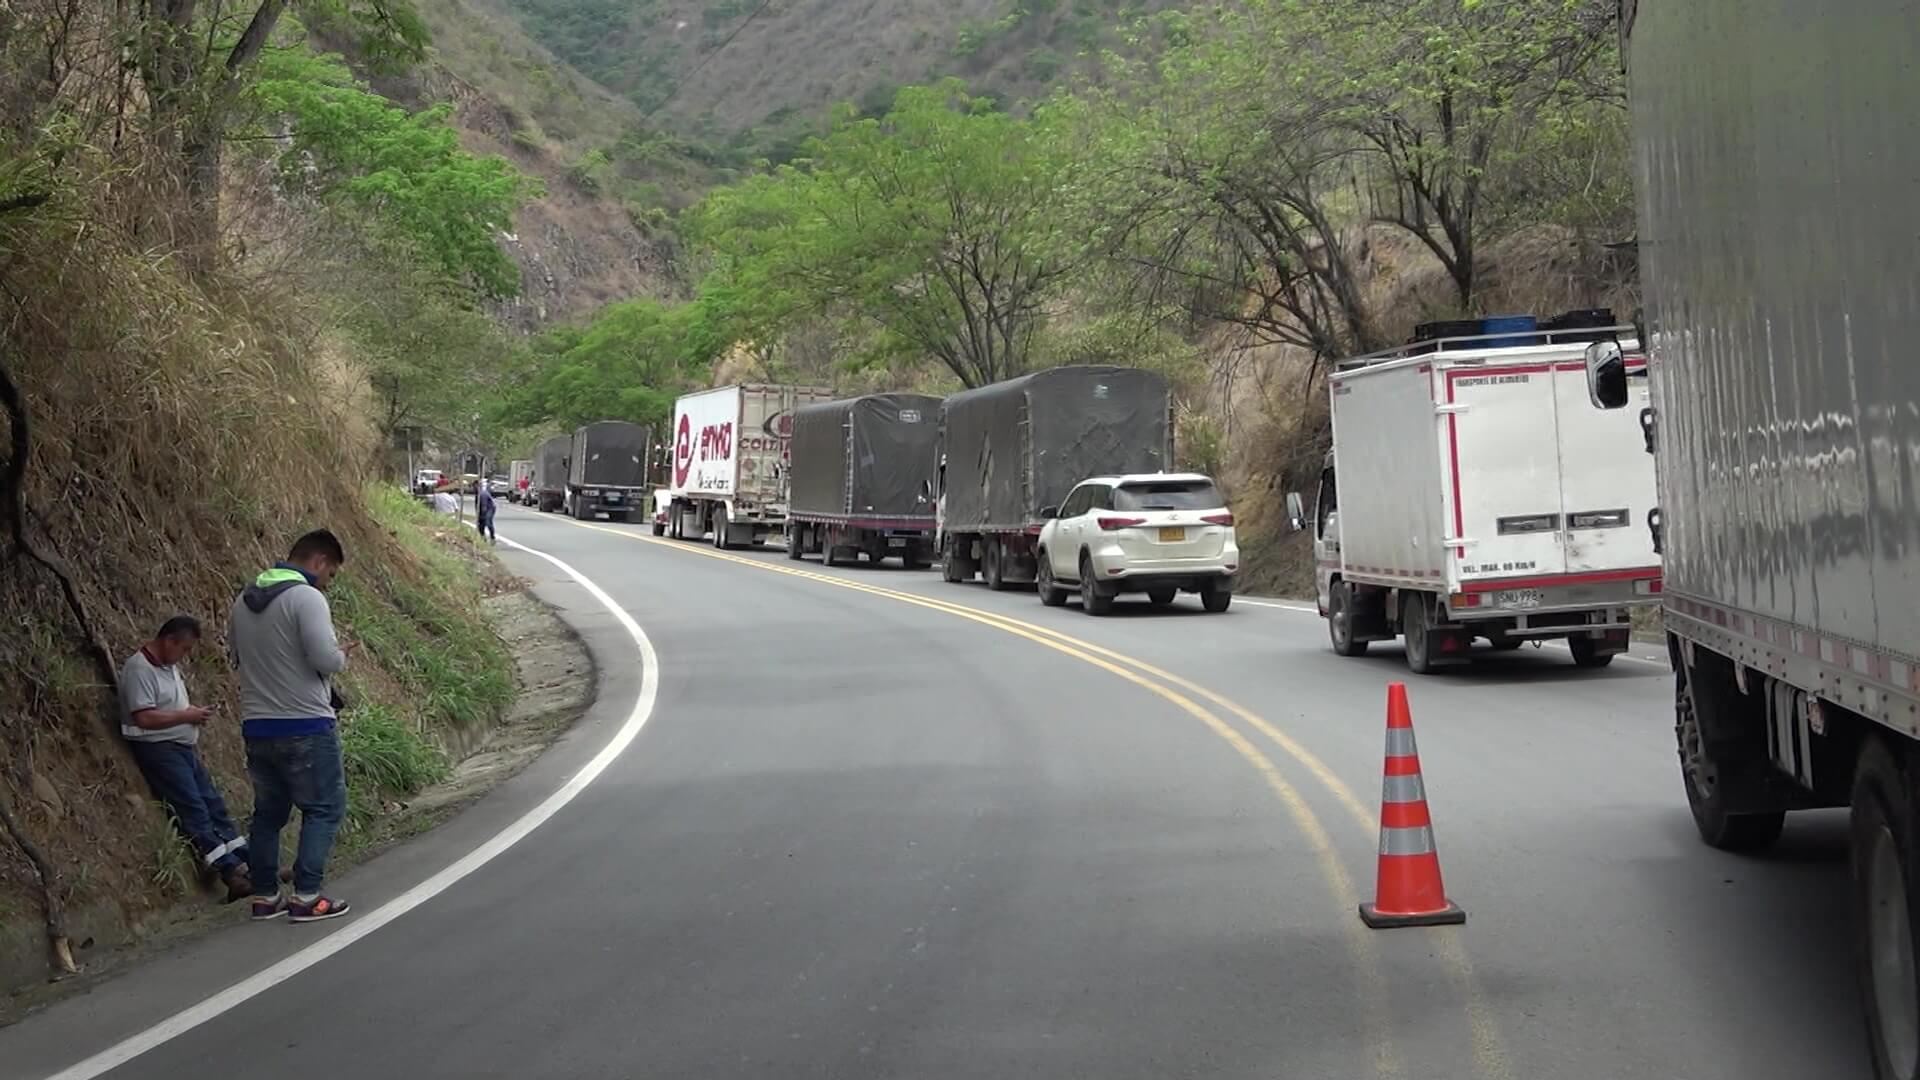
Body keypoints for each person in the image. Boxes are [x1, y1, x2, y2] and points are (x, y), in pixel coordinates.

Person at [230, 529, 354, 923]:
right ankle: (307, 896)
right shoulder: (306, 598)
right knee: (324, 808)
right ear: (318, 562)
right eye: (330, 574)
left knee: (268, 814)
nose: (328, 583)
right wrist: (340, 656)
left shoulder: (243, 600)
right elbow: (324, 659)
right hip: (305, 723)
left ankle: (265, 896)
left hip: (257, 724)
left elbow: (236, 657)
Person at [120, 616, 251, 902]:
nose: (185, 655)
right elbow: (144, 716)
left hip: (181, 747)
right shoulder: (139, 669)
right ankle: (228, 871)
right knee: (193, 808)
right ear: (169, 641)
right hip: (159, 749)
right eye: (185, 649)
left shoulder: (168, 667)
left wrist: (193, 712)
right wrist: (185, 716)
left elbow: (171, 705)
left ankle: (246, 861)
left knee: (212, 802)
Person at [475, 476, 497, 543]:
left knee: (487, 521)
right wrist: (478, 515)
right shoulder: (477, 494)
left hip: (490, 508)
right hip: (483, 509)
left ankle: (492, 537)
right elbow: (477, 506)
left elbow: (484, 506)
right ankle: (483, 537)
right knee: (480, 524)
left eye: (475, 486)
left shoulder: (482, 494)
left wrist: (482, 515)